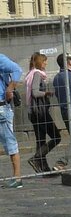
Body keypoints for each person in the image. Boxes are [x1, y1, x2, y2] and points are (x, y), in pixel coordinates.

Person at [24, 52, 61, 174]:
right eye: (44, 61)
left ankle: (43, 168)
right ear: (39, 62)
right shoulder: (37, 74)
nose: (46, 63)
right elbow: (35, 92)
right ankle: (37, 158)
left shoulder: (31, 74)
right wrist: (46, 93)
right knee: (56, 137)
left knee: (41, 140)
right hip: (40, 112)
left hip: (35, 112)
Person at [0, 52, 24, 189]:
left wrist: (10, 88)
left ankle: (17, 177)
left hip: (2, 108)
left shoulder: (0, 58)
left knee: (10, 142)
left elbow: (17, 69)